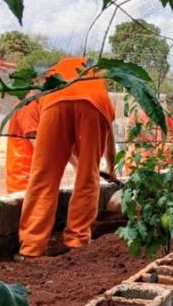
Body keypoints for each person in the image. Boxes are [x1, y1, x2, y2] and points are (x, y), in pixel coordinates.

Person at [18, 57, 117, 258]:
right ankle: (77, 241)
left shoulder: (49, 79)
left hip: (54, 100)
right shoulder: (97, 84)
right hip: (93, 106)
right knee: (88, 178)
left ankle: (31, 248)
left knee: (43, 178)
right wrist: (111, 168)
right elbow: (110, 142)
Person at [4, 98, 40, 193]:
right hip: (25, 182)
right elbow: (40, 147)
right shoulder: (28, 105)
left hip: (29, 181)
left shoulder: (32, 103)